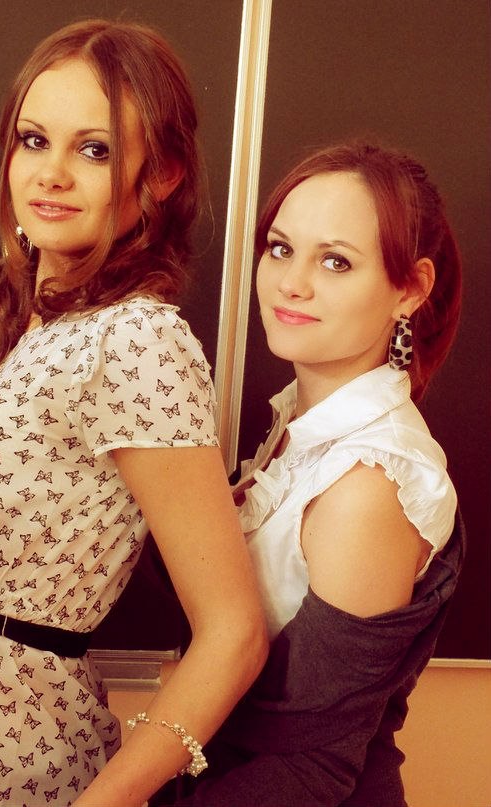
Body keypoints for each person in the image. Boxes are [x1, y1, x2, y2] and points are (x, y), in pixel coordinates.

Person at [0, 19, 268, 807]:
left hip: (20, 778)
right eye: (34, 140)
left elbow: (233, 633)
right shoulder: (23, 322)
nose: (51, 173)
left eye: (94, 150)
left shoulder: (134, 340)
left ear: (161, 175)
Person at [152, 141, 464, 807]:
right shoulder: (300, 427)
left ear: (410, 289)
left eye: (335, 260)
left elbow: (314, 768)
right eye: (280, 248)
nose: (291, 283)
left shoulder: (368, 482)